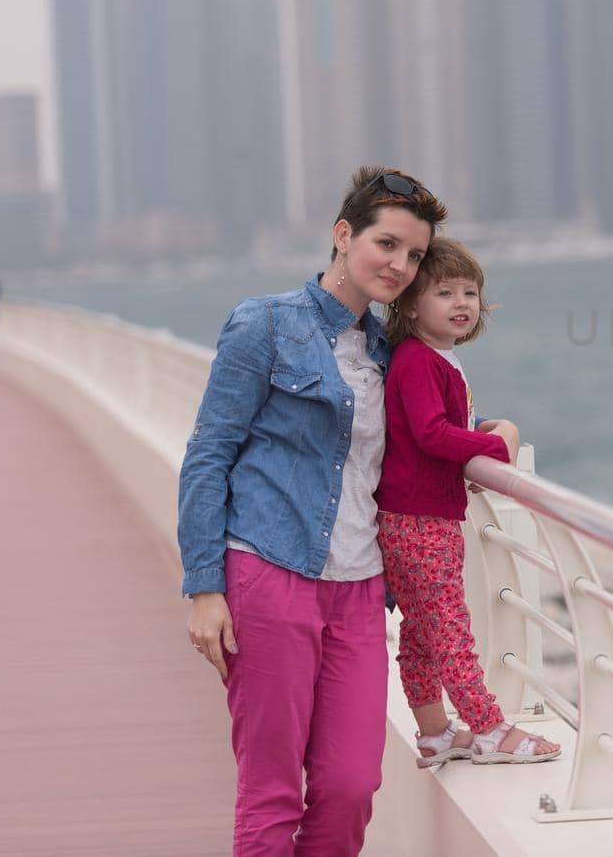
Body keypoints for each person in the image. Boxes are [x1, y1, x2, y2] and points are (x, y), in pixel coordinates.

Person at [178, 167, 447, 855]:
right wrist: (205, 586)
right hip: (270, 574)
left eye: (414, 255)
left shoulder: (391, 352)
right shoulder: (265, 324)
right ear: (343, 235)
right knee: (272, 791)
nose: (399, 265)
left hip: (359, 590)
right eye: (386, 244)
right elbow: (209, 454)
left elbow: (421, 435)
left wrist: (488, 434)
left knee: (352, 786)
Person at [376, 237, 561, 767]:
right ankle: (488, 728)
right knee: (450, 626)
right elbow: (433, 435)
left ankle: (436, 732)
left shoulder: (435, 358)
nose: (461, 303)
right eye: (444, 292)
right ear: (410, 304)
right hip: (419, 520)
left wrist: (478, 432)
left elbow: (433, 430)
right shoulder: (417, 361)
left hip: (414, 515)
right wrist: (495, 444)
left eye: (470, 292)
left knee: (421, 628)